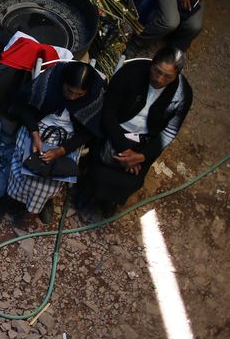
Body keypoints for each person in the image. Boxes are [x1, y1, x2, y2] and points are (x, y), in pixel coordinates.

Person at [0, 62, 104, 231]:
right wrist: (34, 134)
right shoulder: (51, 80)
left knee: (55, 175)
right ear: (63, 82)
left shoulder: (94, 94)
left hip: (69, 137)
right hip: (38, 126)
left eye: (78, 94)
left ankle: (44, 201)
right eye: (69, 90)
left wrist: (62, 150)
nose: (72, 97)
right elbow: (24, 109)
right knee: (25, 166)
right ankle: (6, 200)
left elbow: (87, 132)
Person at [80, 47, 192, 217]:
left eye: (167, 77)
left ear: (177, 75)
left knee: (132, 178)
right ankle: (90, 194)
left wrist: (142, 156)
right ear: (152, 62)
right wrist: (125, 149)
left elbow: (168, 132)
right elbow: (108, 114)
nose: (159, 79)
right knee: (101, 164)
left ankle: (110, 200)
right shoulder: (130, 73)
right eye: (156, 71)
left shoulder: (182, 94)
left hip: (145, 140)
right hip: (115, 130)